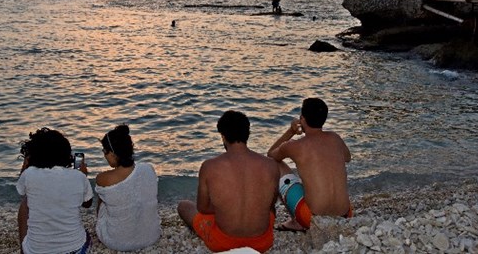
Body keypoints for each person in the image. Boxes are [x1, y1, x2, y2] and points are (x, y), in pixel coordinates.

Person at [178, 110, 279, 253]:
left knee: (184, 206)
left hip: (223, 242)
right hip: (262, 243)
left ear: (223, 137)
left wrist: (225, 207)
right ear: (248, 134)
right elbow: (271, 205)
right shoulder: (271, 165)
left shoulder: (209, 166)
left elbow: (203, 208)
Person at [267, 98, 352, 231]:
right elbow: (347, 158)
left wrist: (291, 131)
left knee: (274, 164)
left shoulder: (295, 146)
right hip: (346, 215)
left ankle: (296, 222)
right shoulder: (335, 138)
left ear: (302, 119)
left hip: (311, 218)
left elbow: (271, 154)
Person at [17, 127, 93, 254]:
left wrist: (25, 166)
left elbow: (21, 190)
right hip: (75, 250)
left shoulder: (29, 174)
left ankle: (23, 250)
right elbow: (87, 203)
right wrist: (83, 177)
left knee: (26, 202)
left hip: (35, 251)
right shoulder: (78, 177)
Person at [95, 124, 161, 251]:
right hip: (152, 236)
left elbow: (99, 208)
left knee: (104, 200)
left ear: (113, 154)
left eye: (104, 151)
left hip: (117, 242)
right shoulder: (148, 169)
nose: (104, 155)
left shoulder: (103, 178)